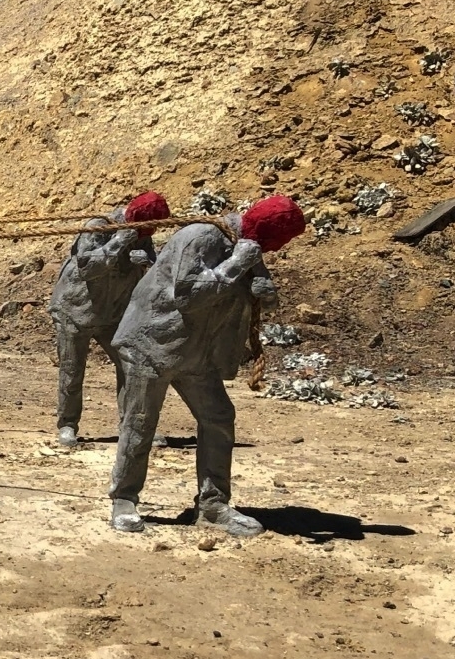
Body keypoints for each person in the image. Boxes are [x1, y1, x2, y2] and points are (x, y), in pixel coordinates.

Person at [108, 195, 305, 538]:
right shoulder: (203, 236)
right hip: (151, 343)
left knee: (218, 418)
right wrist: (236, 266)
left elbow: (251, 297)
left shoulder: (245, 247)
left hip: (195, 353)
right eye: (282, 238)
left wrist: (265, 293)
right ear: (270, 229)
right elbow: (188, 294)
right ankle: (124, 500)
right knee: (139, 422)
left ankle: (214, 505)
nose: (280, 247)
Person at [49, 192, 169, 447]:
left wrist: (147, 261)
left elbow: (157, 270)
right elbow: (86, 267)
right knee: (72, 369)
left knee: (130, 366)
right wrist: (118, 242)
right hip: (75, 309)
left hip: (114, 312)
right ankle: (68, 424)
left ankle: (132, 426)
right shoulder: (98, 225)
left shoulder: (142, 234)